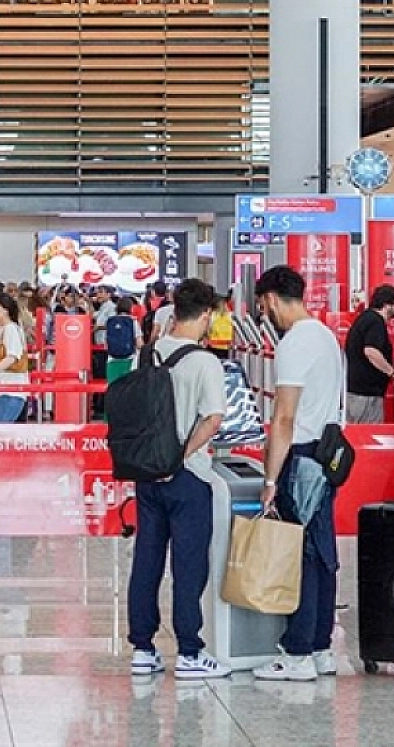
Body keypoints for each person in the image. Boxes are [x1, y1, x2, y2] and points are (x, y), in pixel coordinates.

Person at [124, 278, 231, 682]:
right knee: (188, 564)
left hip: (147, 474)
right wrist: (179, 457)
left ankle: (143, 648)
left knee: (147, 559)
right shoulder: (205, 362)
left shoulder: (146, 354)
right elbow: (213, 418)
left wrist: (159, 459)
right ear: (205, 315)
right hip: (188, 476)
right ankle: (189, 651)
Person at [253, 266, 345, 682]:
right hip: (328, 456)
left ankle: (297, 652)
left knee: (300, 554)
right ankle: (322, 646)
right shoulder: (326, 336)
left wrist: (270, 479)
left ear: (270, 299)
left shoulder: (293, 344)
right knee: (323, 553)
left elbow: (284, 417)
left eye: (262, 305)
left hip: (303, 456)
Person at [344, 285, 394, 423]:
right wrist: (392, 372)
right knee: (368, 435)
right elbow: (371, 351)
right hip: (367, 395)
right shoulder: (376, 322)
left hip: (356, 392)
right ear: (387, 305)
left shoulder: (366, 318)